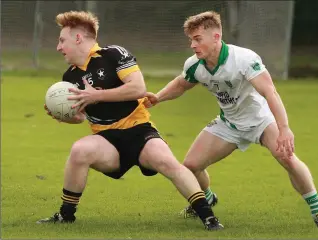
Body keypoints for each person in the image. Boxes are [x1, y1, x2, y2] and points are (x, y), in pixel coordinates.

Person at [143, 11, 318, 228]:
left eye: (197, 39)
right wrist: (158, 97)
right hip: (229, 123)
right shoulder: (195, 65)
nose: (193, 45)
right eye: (191, 40)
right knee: (190, 166)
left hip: (261, 121)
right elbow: (180, 85)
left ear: (216, 37)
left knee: (288, 159)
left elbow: (270, 92)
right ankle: (207, 196)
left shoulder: (244, 59)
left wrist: (284, 129)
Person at [37, 10, 224, 231]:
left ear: (78, 38)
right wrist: (65, 116)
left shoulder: (113, 54)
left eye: (62, 40)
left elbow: (138, 88)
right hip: (106, 139)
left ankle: (209, 218)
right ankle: (65, 215)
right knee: (79, 150)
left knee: (167, 162)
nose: (59, 47)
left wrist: (96, 95)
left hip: (139, 131)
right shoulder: (70, 77)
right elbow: (82, 116)